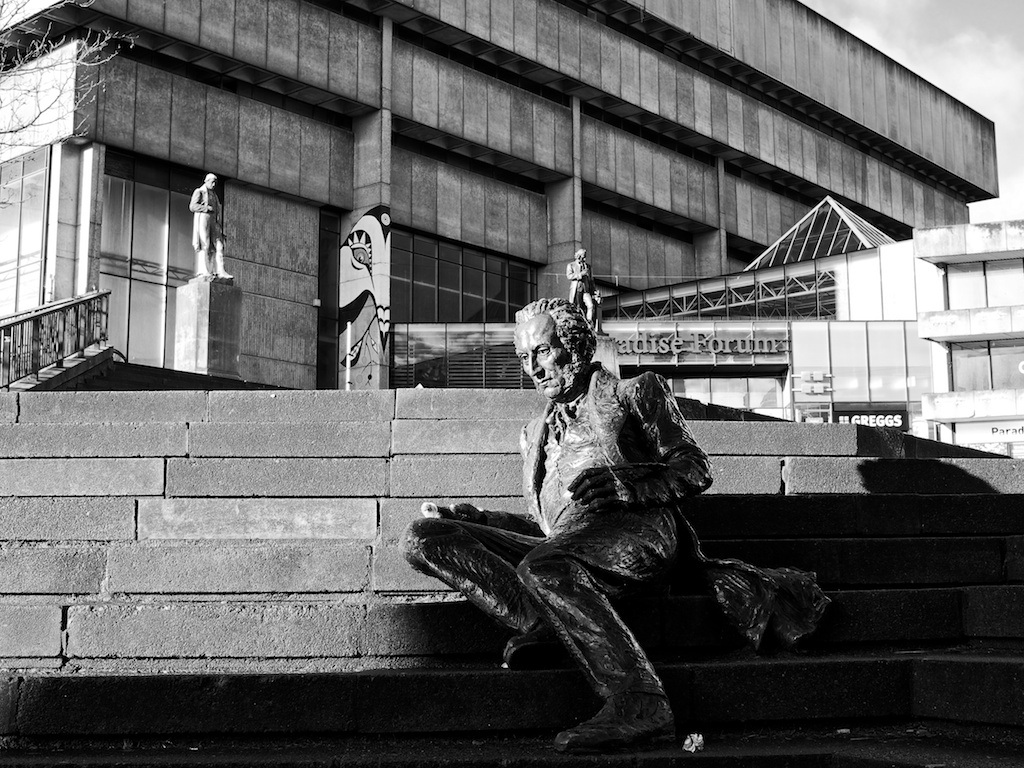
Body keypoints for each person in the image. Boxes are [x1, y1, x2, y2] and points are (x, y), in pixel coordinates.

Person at [401, 297, 829, 753]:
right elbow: (548, 522)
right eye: (524, 358)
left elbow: (695, 467)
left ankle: (641, 703)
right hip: (568, 543)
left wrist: (630, 488)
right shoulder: (535, 433)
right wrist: (478, 520)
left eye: (543, 352)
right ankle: (548, 622)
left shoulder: (635, 392)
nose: (534, 369)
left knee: (544, 566)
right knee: (424, 538)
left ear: (576, 345)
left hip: (637, 529)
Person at [189, 173, 232, 281]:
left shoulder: (215, 195)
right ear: (206, 181)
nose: (214, 184)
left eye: (215, 182)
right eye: (212, 182)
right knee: (205, 244)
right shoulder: (199, 191)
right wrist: (205, 208)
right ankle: (205, 270)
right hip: (204, 219)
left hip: (214, 222)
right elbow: (192, 206)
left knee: (219, 246)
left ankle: (220, 270)